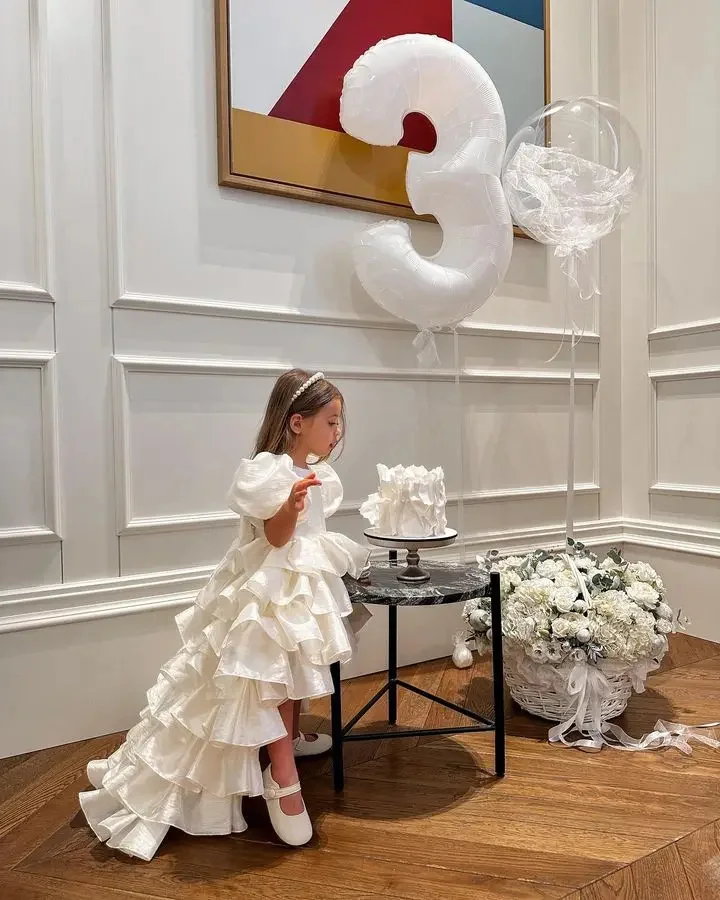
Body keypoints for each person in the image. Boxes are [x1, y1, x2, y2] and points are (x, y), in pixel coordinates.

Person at [79, 369, 370, 859]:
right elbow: (276, 538)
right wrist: (291, 508)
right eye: (331, 421)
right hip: (266, 588)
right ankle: (282, 777)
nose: (337, 432)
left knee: (296, 666)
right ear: (297, 422)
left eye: (340, 422)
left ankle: (290, 737)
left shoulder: (312, 473)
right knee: (271, 672)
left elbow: (309, 539)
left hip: (299, 584)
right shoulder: (267, 471)